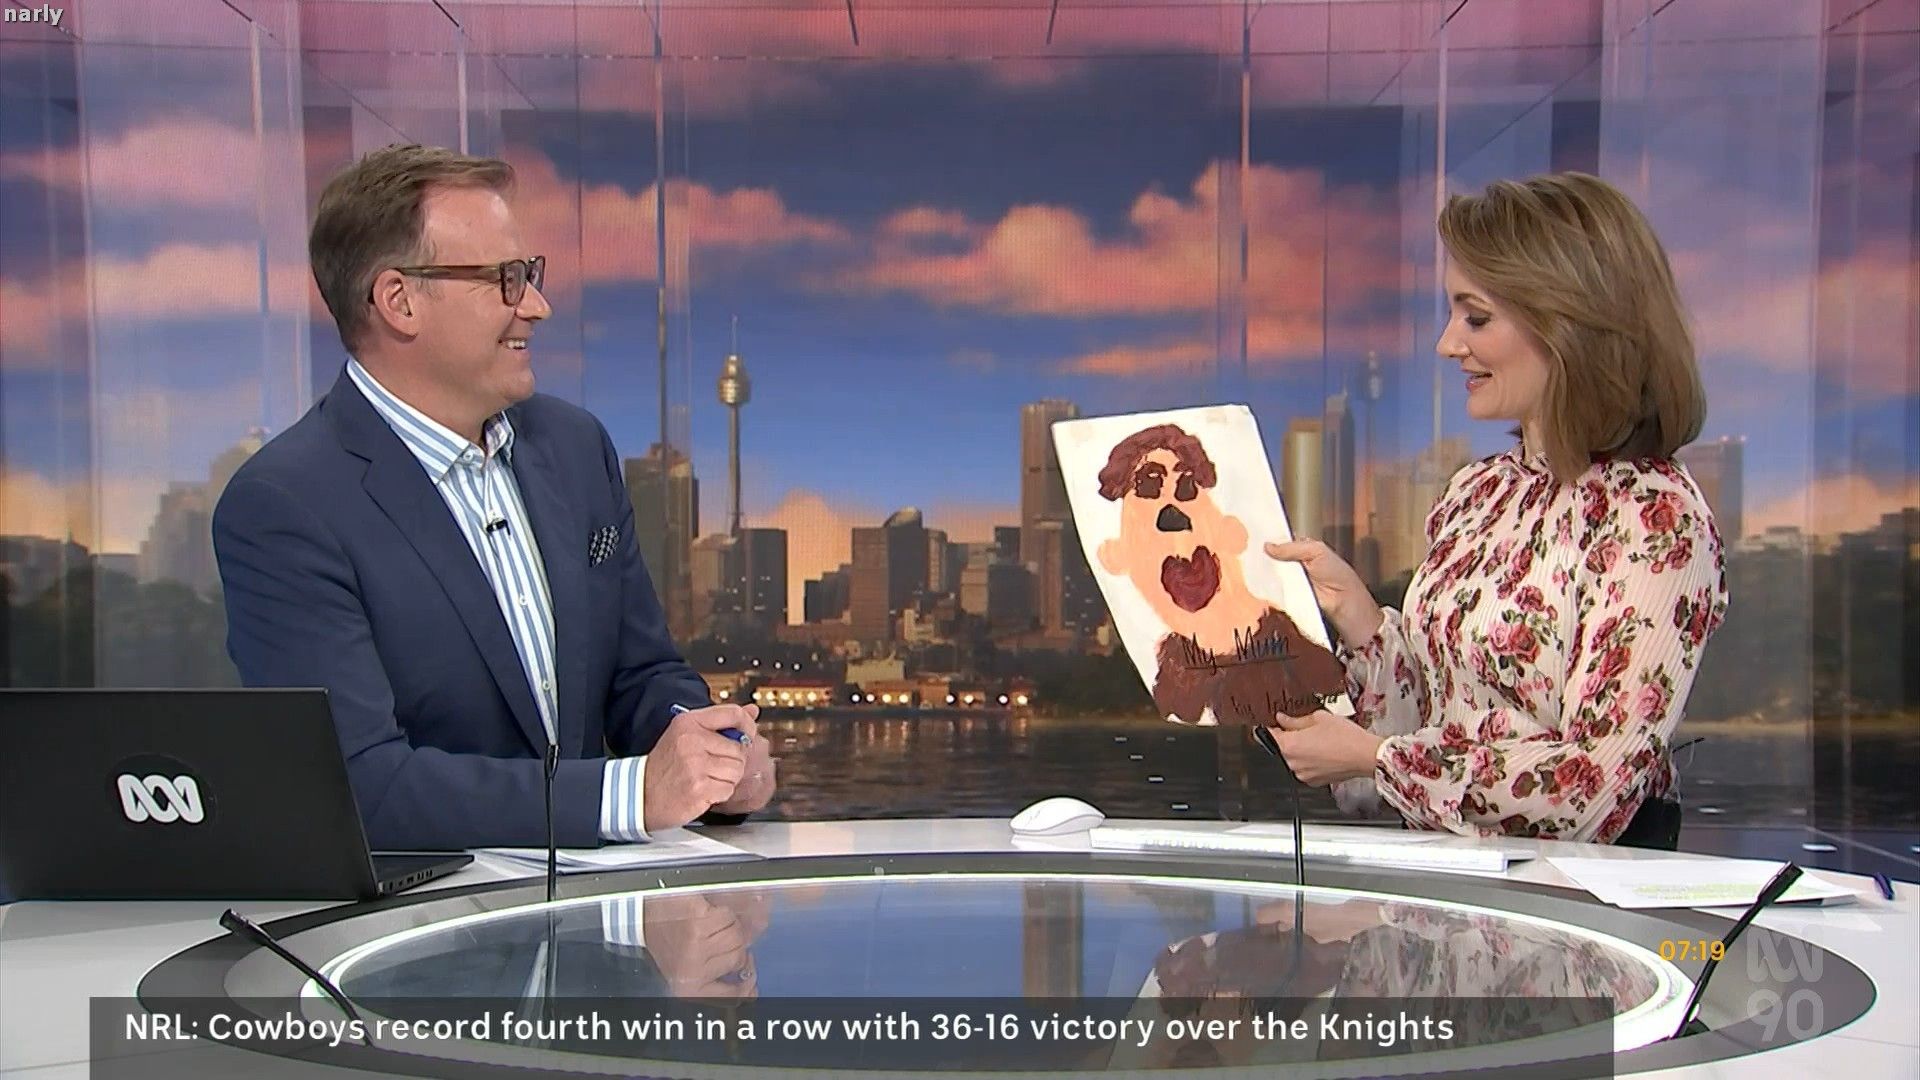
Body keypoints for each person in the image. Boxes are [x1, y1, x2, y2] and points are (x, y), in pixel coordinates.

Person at [212, 144, 775, 850]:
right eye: (505, 280)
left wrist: (710, 752)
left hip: (591, 904)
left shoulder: (574, 447)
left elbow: (640, 674)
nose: (536, 306)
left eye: (530, 275)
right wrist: (630, 794)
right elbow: (359, 785)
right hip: (429, 913)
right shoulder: (285, 506)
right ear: (399, 300)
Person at [1263, 172, 1728, 847]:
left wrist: (1377, 758)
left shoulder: (1653, 516)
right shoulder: (1477, 493)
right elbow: (1423, 734)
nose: (1448, 344)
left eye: (1476, 317)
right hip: (1446, 894)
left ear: (1570, 324)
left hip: (1571, 904)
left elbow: (1591, 790)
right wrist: (1360, 618)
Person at [1092, 422, 1348, 725]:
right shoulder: (1171, 685)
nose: (1174, 519)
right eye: (1149, 486)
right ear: (1118, 557)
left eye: (1186, 486)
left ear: (1232, 532)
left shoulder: (1308, 666)